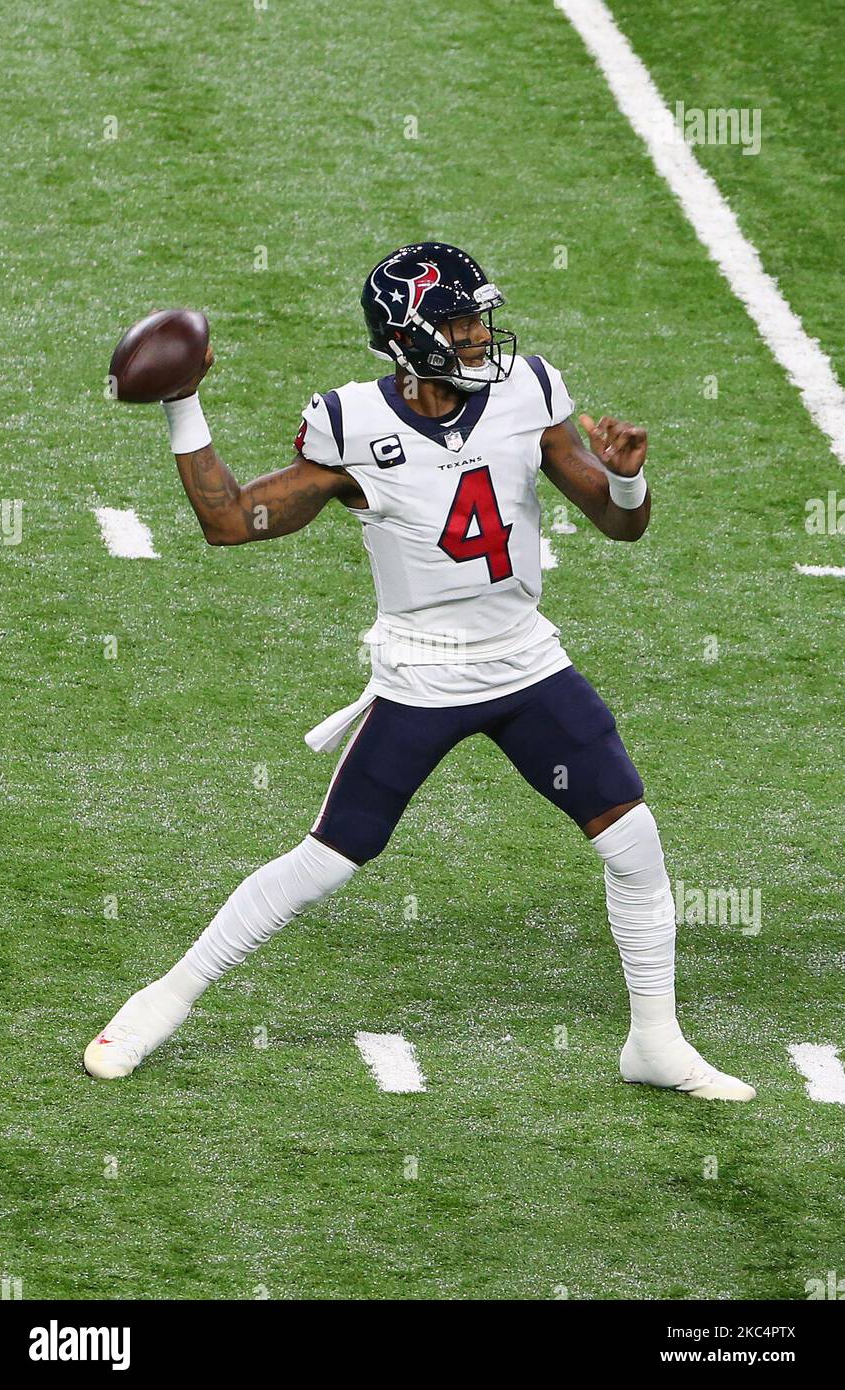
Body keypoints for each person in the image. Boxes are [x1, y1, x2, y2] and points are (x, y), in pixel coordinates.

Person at [85, 242, 755, 1101]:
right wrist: (183, 403)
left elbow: (621, 525)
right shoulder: (353, 423)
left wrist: (627, 483)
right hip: (425, 676)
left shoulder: (528, 390)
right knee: (328, 859)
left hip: (524, 661)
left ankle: (655, 1044)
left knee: (634, 843)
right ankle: (158, 1003)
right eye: (461, 320)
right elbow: (230, 522)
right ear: (409, 338)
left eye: (481, 316)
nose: (482, 334)